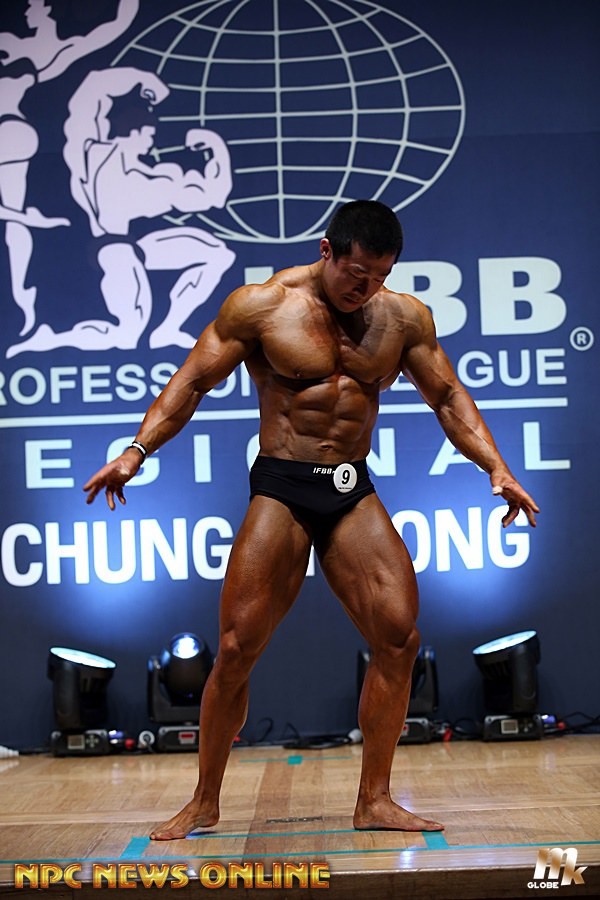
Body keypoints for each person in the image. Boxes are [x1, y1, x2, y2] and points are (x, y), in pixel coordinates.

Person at [84, 200, 539, 840]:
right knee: (236, 648)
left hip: (351, 487)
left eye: (380, 276)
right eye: (356, 273)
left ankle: (374, 800)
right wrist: (135, 452)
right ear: (327, 251)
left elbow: (446, 396)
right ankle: (204, 801)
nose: (366, 288)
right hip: (283, 486)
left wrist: (497, 466)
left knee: (399, 638)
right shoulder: (261, 306)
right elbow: (191, 383)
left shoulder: (403, 318)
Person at [7, 66, 234, 357]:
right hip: (113, 249)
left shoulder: (150, 175)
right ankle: (49, 339)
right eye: (149, 134)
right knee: (128, 334)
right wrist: (143, 80)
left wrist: (216, 149)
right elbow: (89, 98)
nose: (151, 142)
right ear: (134, 131)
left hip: (136, 246)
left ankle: (168, 328)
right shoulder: (93, 157)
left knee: (216, 254)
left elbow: (211, 196)